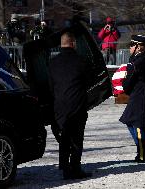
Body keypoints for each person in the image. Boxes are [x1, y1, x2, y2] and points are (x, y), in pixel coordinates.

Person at [49, 32, 92, 179]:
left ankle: (65, 169)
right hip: (77, 104)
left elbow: (50, 86)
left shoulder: (53, 63)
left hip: (60, 105)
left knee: (64, 138)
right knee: (77, 138)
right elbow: (88, 82)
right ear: (73, 43)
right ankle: (75, 167)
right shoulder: (81, 61)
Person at [119, 35, 145, 163]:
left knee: (137, 124)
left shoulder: (137, 63)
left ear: (138, 47)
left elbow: (128, 83)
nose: (130, 48)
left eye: (131, 45)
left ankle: (143, 153)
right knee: (131, 121)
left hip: (138, 95)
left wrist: (125, 86)